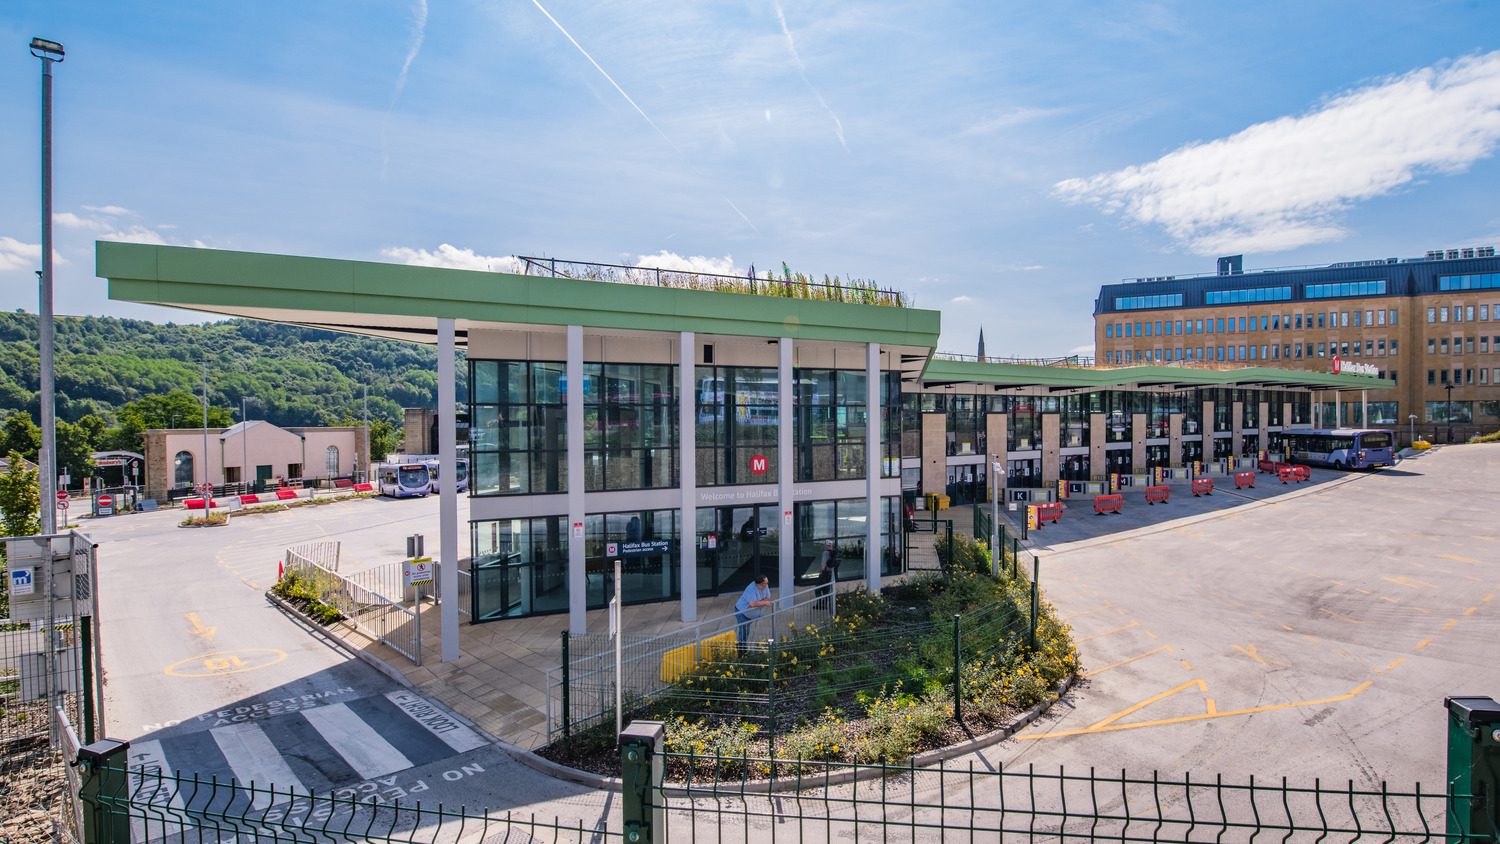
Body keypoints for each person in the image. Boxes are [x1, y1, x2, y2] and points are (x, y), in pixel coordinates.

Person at [734, 574, 772, 644]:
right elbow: (752, 604)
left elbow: (768, 599)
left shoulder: (765, 586)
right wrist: (764, 602)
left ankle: (741, 646)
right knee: (744, 632)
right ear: (760, 584)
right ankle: (741, 649)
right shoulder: (751, 589)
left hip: (750, 614)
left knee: (745, 631)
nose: (767, 585)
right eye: (766, 583)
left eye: (767, 583)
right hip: (742, 612)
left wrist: (759, 602)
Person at [816, 540, 837, 612]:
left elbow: (823, 566)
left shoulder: (825, 553)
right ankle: (824, 605)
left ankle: (819, 604)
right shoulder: (833, 553)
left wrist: (821, 573)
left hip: (824, 573)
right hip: (830, 574)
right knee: (826, 590)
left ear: (826, 545)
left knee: (817, 589)